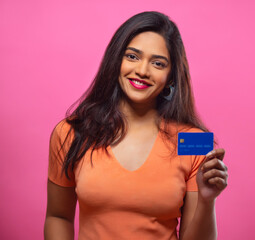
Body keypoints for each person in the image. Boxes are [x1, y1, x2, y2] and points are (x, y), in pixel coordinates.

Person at [44, 11, 228, 240]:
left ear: (171, 76)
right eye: (132, 57)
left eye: (158, 63)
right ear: (116, 60)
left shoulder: (193, 141)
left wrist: (207, 200)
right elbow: (58, 216)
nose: (142, 70)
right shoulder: (72, 132)